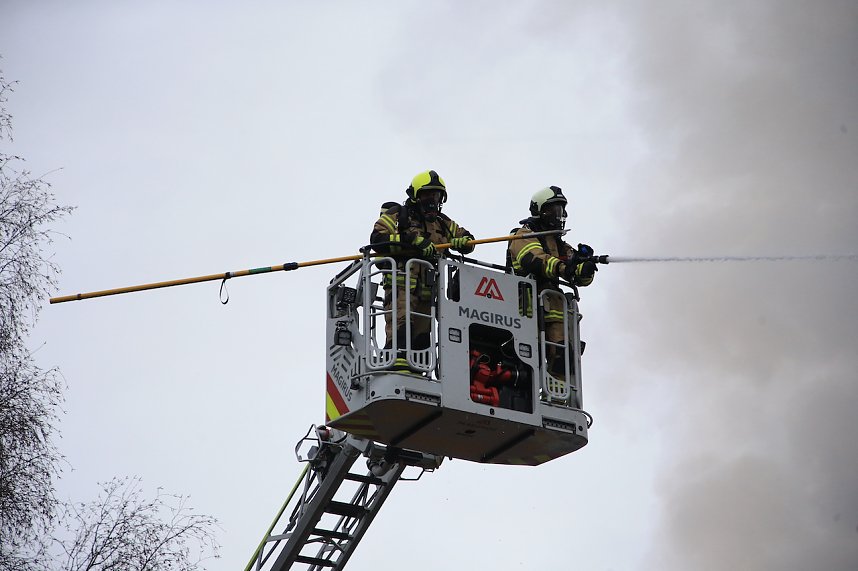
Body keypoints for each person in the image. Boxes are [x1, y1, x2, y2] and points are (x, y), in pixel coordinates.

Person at [370, 170, 475, 370]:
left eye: (436, 196)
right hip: (401, 280)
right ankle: (394, 362)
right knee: (401, 322)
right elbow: (377, 239)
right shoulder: (398, 215)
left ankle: (418, 369)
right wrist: (412, 242)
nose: (432, 200)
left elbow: (467, 239)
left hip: (428, 286)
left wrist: (464, 242)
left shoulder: (442, 222)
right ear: (416, 195)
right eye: (427, 195)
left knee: (422, 331)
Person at [507, 186, 597, 379]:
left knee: (563, 357)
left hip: (553, 312)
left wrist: (584, 267)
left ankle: (556, 399)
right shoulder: (523, 235)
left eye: (562, 210)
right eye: (555, 209)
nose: (560, 214)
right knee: (527, 360)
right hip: (525, 311)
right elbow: (536, 260)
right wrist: (566, 268)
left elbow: (577, 275)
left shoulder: (559, 244)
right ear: (541, 210)